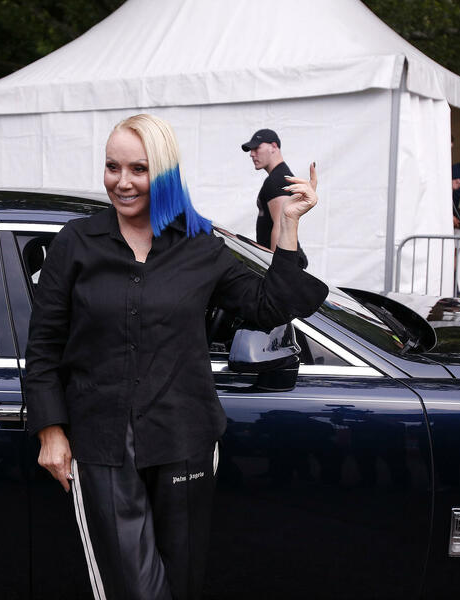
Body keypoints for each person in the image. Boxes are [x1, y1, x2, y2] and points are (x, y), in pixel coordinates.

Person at [25, 114, 328, 600]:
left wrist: (287, 224)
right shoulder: (75, 244)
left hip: (184, 438)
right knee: (135, 591)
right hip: (101, 446)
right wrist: (50, 430)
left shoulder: (199, 246)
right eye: (112, 167)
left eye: (138, 169)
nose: (122, 182)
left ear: (164, 173)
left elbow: (270, 305)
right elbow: (43, 346)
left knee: (182, 585)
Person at [242, 128, 310, 266]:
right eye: (251, 150)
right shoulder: (281, 176)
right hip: (286, 260)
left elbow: (280, 225)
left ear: (273, 147)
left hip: (283, 263)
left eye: (256, 148)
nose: (252, 154)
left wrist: (275, 269)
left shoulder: (276, 180)